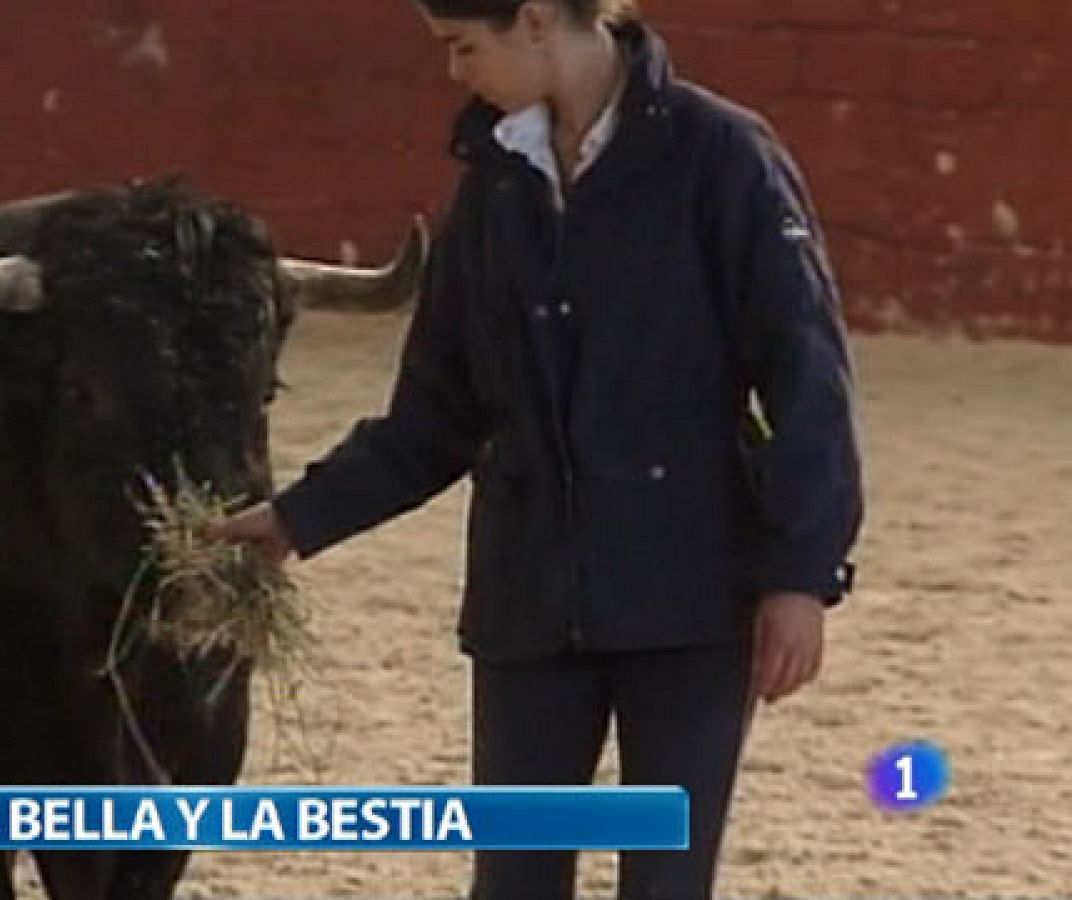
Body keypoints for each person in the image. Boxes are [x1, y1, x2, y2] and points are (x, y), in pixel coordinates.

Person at [209, 0, 864, 897]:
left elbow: (808, 378)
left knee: (666, 884)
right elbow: (438, 411)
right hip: (529, 599)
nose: (453, 73)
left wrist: (801, 574)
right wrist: (296, 517)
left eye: (462, 47)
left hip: (690, 598)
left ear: (534, 22)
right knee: (515, 881)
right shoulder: (493, 186)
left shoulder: (724, 160)